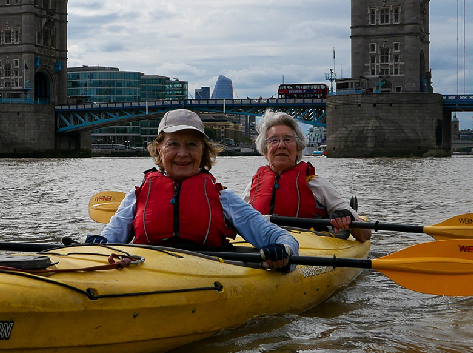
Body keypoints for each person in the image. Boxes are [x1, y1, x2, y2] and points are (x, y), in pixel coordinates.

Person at [86, 109, 299, 271]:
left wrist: (283, 251)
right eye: (173, 144)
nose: (182, 153)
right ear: (159, 149)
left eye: (191, 145)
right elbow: (109, 242)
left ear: (203, 151)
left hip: (207, 273)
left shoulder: (223, 198)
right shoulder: (137, 196)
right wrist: (98, 245)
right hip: (150, 271)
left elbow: (283, 238)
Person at [243, 110, 372, 243]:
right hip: (262, 246)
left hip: (306, 248)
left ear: (298, 150)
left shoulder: (317, 184)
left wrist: (346, 218)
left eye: (287, 139)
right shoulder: (253, 187)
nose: (281, 145)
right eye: (274, 140)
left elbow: (366, 234)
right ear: (265, 151)